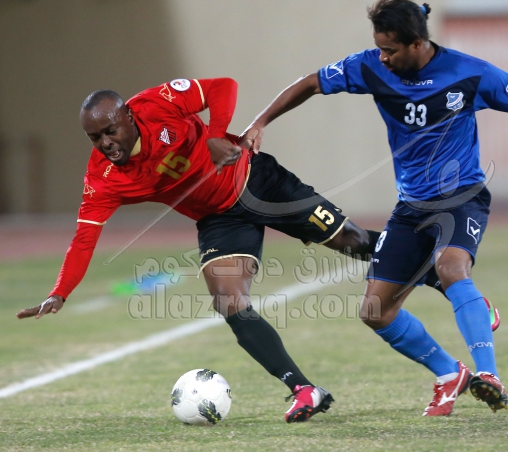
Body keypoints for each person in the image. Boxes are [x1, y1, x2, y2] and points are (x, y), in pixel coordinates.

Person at [242, 0, 508, 416]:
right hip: (411, 207)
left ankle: (489, 374)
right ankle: (449, 373)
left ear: (417, 44)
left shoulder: (469, 72)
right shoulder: (369, 66)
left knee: (451, 268)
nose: (382, 58)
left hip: (461, 197)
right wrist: (259, 122)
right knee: (375, 310)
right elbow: (310, 83)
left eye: (390, 50)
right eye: (379, 48)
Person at [16, 77, 383, 423]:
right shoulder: (103, 179)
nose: (105, 143)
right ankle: (304, 390)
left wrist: (215, 135)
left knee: (353, 242)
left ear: (128, 116)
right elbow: (83, 239)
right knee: (228, 300)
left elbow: (223, 87)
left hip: (256, 181)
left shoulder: (157, 103)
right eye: (94, 137)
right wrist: (59, 292)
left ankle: (416, 258)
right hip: (220, 218)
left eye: (110, 131)